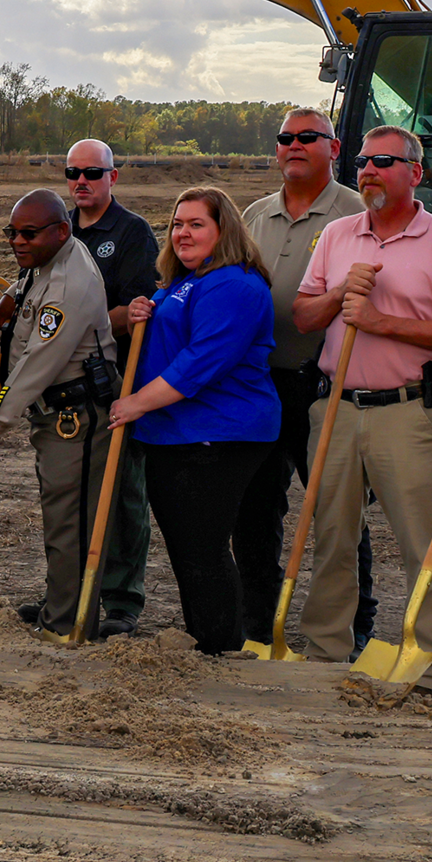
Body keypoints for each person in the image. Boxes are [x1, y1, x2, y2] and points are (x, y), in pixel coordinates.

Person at [292, 125, 432, 689]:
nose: (369, 170)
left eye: (384, 161)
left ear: (415, 173)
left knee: (419, 539)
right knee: (330, 535)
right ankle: (326, 652)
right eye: (363, 161)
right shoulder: (336, 236)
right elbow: (306, 318)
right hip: (336, 407)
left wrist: (380, 322)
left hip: (407, 410)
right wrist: (338, 294)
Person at [108, 188, 281, 655]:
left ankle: (219, 647)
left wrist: (137, 403)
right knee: (189, 547)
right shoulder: (187, 280)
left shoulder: (234, 285)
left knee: (201, 546)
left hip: (218, 432)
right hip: (177, 432)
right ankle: (209, 638)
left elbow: (201, 361)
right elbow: (173, 333)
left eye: (196, 224)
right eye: (177, 224)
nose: (183, 233)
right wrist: (148, 310)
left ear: (223, 229)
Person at [239, 107, 375, 646]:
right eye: (285, 138)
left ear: (334, 149)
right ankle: (256, 623)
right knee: (253, 510)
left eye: (307, 138)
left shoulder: (356, 212)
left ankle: (354, 625)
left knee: (336, 513)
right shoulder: (253, 215)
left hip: (322, 386)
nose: (294, 145)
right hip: (257, 385)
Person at [0, 191, 116, 637]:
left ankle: (68, 626)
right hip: (55, 414)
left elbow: (37, 363)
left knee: (71, 525)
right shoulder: (47, 262)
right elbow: (28, 296)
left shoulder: (70, 284)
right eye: (11, 232)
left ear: (61, 231)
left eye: (28, 233)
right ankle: (62, 607)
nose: (17, 241)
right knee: (62, 519)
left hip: (74, 416)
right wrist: (13, 296)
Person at [65, 139, 158, 636]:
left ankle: (122, 600)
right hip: (63, 384)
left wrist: (80, 327)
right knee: (70, 493)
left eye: (92, 173)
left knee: (122, 496)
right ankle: (70, 590)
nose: (81, 181)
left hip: (115, 382)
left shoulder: (132, 233)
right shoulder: (59, 230)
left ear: (113, 178)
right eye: (73, 172)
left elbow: (138, 308)